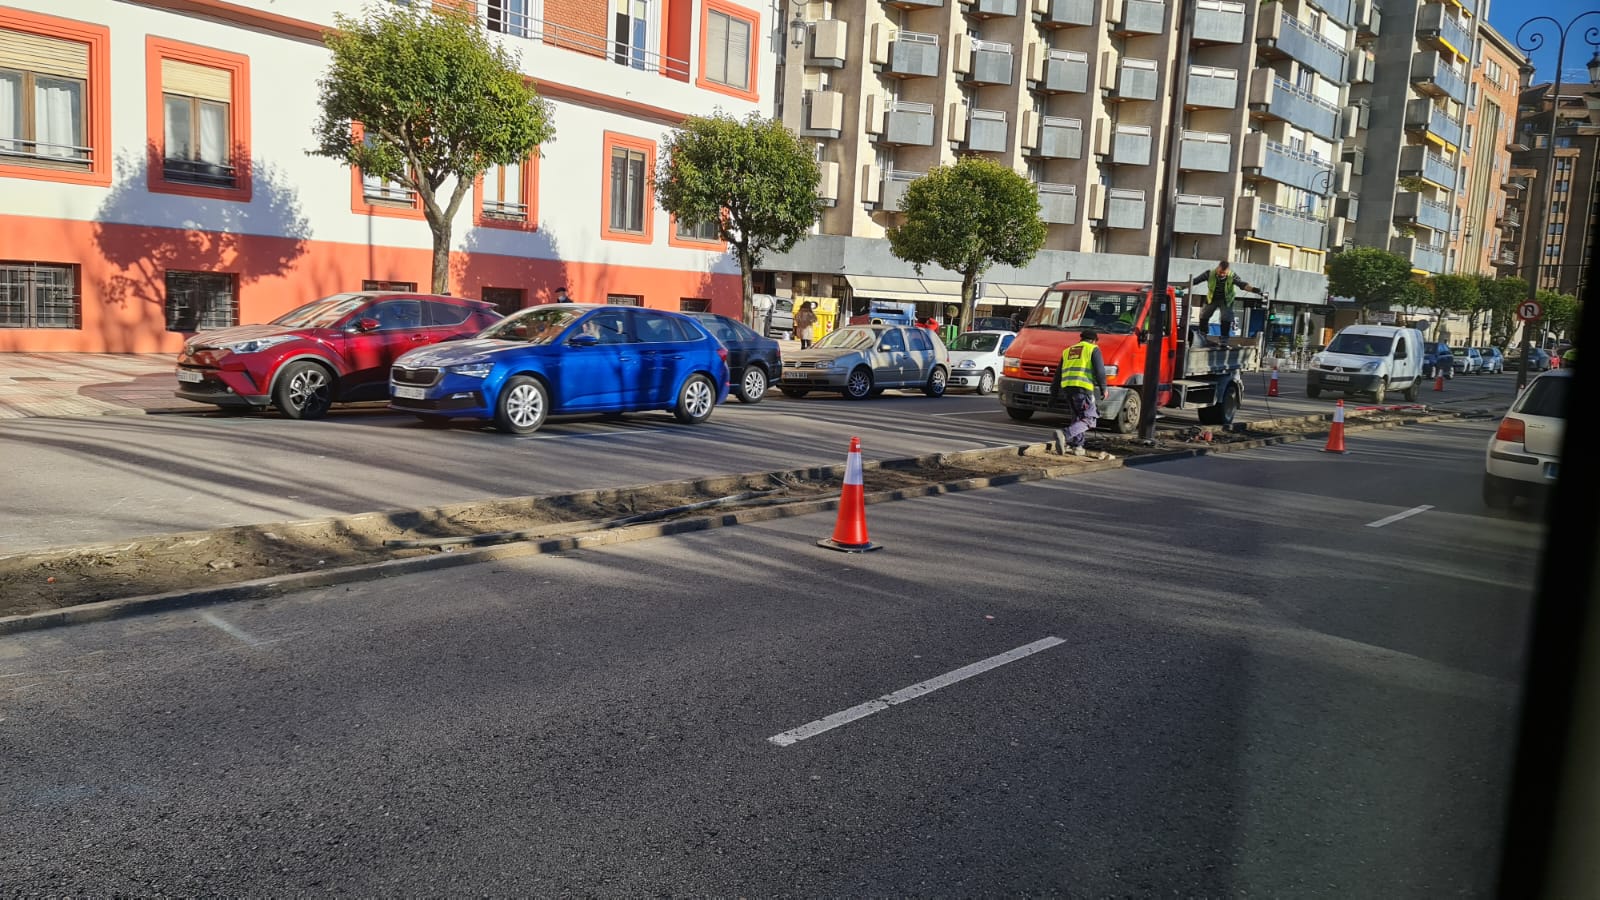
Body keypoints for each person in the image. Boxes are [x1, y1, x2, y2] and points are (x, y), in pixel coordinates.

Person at [1055, 328, 1112, 459]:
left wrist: (1053, 394)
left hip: (1067, 388)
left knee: (1077, 417)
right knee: (1089, 419)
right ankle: (1064, 434)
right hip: (1083, 388)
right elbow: (1100, 371)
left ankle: (1077, 446)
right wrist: (1104, 388)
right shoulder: (1092, 349)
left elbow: (1057, 375)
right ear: (1093, 340)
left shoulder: (1068, 351)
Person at [1188, 261, 1262, 341]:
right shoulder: (1209, 274)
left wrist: (1253, 289)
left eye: (1224, 273)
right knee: (1204, 314)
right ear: (1218, 268)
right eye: (1220, 272)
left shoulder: (1232, 276)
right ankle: (1203, 333)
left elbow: (1242, 285)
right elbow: (1195, 281)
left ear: (1228, 271)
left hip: (1226, 300)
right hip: (1212, 298)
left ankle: (1224, 337)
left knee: (1226, 316)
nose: (1222, 275)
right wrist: (1182, 286)